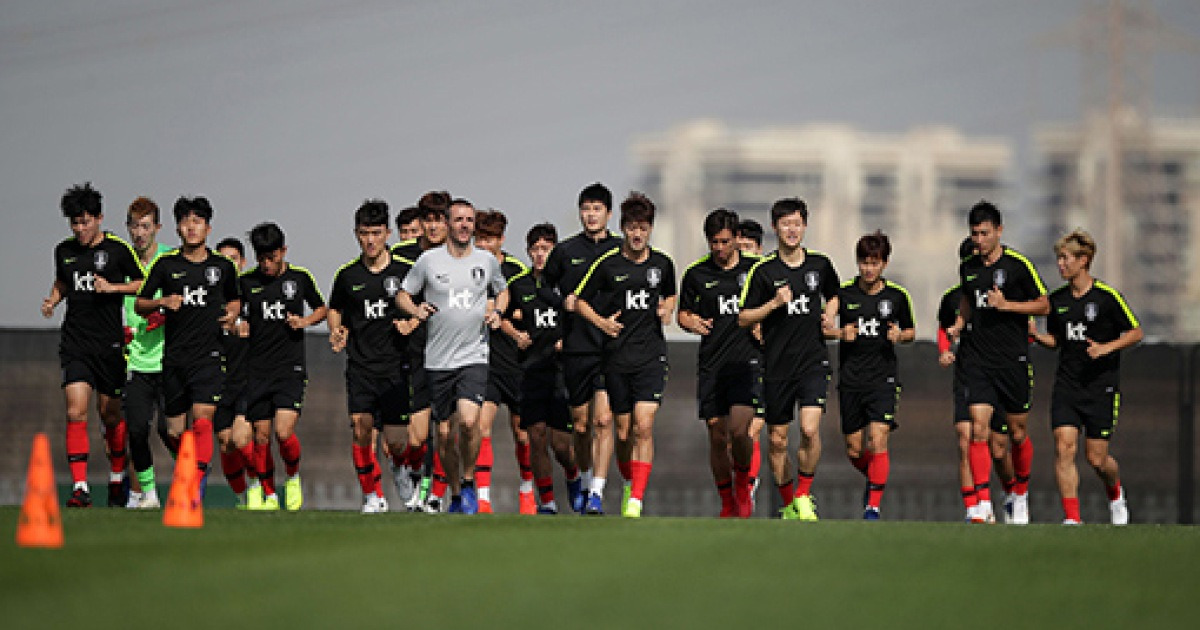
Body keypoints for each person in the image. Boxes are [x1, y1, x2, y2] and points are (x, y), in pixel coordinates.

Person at [397, 198, 509, 515]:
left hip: (474, 354)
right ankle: (456, 492)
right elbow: (403, 294)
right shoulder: (429, 261)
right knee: (444, 433)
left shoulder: (486, 261)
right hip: (438, 359)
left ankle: (469, 481)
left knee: (470, 422)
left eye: (469, 220)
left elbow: (502, 290)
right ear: (448, 224)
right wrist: (415, 309)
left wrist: (498, 312)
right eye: (458, 219)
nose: (464, 225)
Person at [574, 192, 676, 518]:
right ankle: (628, 480)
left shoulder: (662, 264)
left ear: (650, 229)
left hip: (651, 357)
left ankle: (635, 499)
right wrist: (601, 323)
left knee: (643, 426)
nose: (637, 234)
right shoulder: (608, 265)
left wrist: (667, 309)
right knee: (621, 431)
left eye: (643, 228)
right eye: (632, 228)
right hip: (616, 357)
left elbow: (670, 294)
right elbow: (579, 301)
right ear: (623, 228)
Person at [946, 200, 1049, 525]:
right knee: (978, 429)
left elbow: (1044, 305)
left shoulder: (1018, 266)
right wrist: (959, 324)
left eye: (985, 233)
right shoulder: (969, 267)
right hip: (978, 360)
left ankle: (1020, 495)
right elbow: (967, 299)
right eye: (974, 234)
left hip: (1012, 361)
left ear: (999, 231)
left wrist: (1008, 306)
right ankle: (982, 504)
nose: (979, 240)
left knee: (1017, 434)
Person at [738, 197, 839, 522]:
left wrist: (829, 315)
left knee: (809, 429)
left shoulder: (819, 265)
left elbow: (835, 294)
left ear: (804, 226)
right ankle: (788, 505)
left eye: (797, 224)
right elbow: (743, 317)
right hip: (776, 365)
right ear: (775, 228)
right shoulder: (763, 271)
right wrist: (772, 305)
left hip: (812, 362)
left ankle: (804, 494)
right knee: (778, 440)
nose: (792, 230)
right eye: (785, 224)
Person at [44, 182, 145, 507]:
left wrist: (113, 288)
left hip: (109, 345)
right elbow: (63, 281)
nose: (80, 229)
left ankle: (116, 478)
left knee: (110, 415)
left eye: (85, 222)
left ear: (99, 218)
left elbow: (141, 283)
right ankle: (80, 488)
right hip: (75, 343)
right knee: (75, 411)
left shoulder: (117, 250)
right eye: (75, 223)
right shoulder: (64, 251)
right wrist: (53, 299)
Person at [1030, 230, 1139, 525]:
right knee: (1064, 447)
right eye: (1058, 259)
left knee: (1097, 459)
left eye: (1065, 258)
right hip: (1067, 386)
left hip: (1100, 387)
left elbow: (1135, 332)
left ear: (1084, 260)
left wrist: (1106, 348)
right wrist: (1038, 337)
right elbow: (1057, 340)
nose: (1060, 264)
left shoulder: (1107, 298)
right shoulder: (1057, 301)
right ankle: (1072, 518)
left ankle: (1115, 494)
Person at [135, 196, 241, 499]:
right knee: (174, 431)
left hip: (209, 356)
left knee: (203, 418)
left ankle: (195, 485)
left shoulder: (222, 267)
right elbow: (141, 303)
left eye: (197, 221)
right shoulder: (166, 265)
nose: (191, 227)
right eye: (185, 221)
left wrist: (232, 313)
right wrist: (162, 301)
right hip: (175, 358)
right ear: (177, 228)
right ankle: (194, 465)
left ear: (208, 228)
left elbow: (235, 299)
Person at [329, 200, 419, 514]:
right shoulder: (347, 275)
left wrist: (412, 323)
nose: (370, 240)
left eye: (376, 233)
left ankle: (401, 468)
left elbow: (422, 308)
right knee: (360, 427)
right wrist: (336, 330)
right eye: (365, 233)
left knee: (396, 442)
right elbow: (335, 309)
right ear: (356, 234)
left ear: (387, 234)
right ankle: (372, 495)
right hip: (360, 366)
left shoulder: (404, 273)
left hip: (396, 367)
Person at [677, 208, 763, 518]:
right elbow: (683, 314)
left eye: (725, 242)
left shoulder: (757, 270)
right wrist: (690, 322)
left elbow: (778, 304)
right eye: (714, 242)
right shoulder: (696, 274)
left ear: (737, 239)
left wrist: (763, 325)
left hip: (747, 362)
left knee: (740, 431)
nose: (719, 248)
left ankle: (743, 484)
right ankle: (727, 502)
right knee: (717, 435)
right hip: (712, 363)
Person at [236, 223, 327, 511]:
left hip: (289, 368)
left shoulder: (299, 278)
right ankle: (270, 495)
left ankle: (292, 476)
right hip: (257, 369)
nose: (266, 264)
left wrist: (305, 321)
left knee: (283, 432)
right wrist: (238, 324)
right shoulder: (246, 282)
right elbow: (232, 313)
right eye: (261, 258)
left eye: (271, 257)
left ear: (283, 251)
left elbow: (322, 308)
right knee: (261, 436)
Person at [542, 183, 621, 514]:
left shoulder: (620, 250)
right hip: (576, 345)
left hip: (611, 347)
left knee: (603, 420)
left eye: (597, 209)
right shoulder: (565, 251)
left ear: (608, 214)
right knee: (581, 424)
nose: (591, 215)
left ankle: (597, 493)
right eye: (586, 209)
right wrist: (562, 306)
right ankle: (584, 480)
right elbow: (544, 288)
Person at [833, 231, 915, 520]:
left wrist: (900, 336)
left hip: (883, 379)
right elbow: (823, 325)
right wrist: (839, 333)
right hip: (851, 380)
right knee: (855, 450)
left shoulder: (897, 297)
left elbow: (910, 331)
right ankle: (875, 476)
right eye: (864, 262)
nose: (868, 269)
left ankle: (873, 507)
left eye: (874, 263)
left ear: (884, 264)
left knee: (878, 440)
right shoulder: (844, 294)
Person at [508, 223, 583, 514]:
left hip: (561, 371)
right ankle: (548, 503)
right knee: (536, 435)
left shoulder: (567, 285)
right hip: (531, 370)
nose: (540, 255)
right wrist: (516, 334)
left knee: (561, 445)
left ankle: (573, 475)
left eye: (546, 249)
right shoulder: (520, 285)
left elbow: (582, 317)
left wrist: (569, 340)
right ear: (528, 252)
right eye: (535, 249)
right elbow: (500, 315)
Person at [937, 237, 1006, 521]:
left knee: (999, 446)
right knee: (966, 438)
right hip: (968, 373)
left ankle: (1013, 494)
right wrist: (944, 350)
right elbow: (944, 328)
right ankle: (975, 507)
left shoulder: (1001, 292)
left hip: (1000, 372)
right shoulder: (953, 298)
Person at [391, 191, 450, 511]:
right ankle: (411, 473)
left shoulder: (461, 255)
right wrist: (408, 318)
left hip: (453, 352)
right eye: (428, 220)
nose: (434, 226)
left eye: (440, 220)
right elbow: (391, 293)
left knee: (448, 430)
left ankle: (436, 494)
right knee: (415, 438)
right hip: (414, 353)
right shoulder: (401, 256)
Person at [472, 210, 532, 513]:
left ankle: (527, 490)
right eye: (480, 238)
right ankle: (483, 497)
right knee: (481, 426)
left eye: (490, 238)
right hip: (483, 362)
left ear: (502, 240)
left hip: (516, 363)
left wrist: (506, 314)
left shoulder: (517, 271)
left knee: (522, 433)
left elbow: (530, 309)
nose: (484, 244)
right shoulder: (466, 269)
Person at [122, 196, 173, 508]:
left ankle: (192, 476)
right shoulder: (121, 261)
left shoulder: (170, 259)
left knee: (171, 431)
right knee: (137, 430)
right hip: (135, 360)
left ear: (157, 227)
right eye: (134, 226)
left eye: (145, 226)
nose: (139, 233)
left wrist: (163, 314)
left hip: (169, 359)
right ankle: (149, 495)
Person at [209, 238, 256, 507]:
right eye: (223, 259)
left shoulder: (251, 292)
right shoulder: (210, 297)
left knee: (240, 437)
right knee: (225, 442)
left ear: (243, 262)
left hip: (248, 380)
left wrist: (250, 329)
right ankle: (242, 497)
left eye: (233, 259)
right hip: (219, 381)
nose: (228, 264)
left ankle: (258, 484)